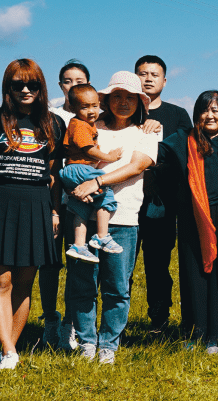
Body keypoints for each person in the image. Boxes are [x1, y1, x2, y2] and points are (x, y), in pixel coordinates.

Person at [0, 59, 61, 370]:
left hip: (36, 204)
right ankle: (7, 349)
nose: (26, 90)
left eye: (32, 84)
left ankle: (11, 348)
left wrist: (56, 211)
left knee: (24, 280)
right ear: (8, 88)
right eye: (18, 85)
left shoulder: (54, 123)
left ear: (41, 88)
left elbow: (55, 174)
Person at [62, 72, 159, 364]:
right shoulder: (89, 126)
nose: (123, 102)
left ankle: (109, 345)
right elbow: (72, 159)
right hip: (83, 215)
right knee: (82, 284)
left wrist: (97, 182)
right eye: (117, 96)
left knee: (117, 287)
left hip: (125, 219)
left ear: (140, 102)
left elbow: (137, 166)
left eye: (130, 97)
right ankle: (86, 342)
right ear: (105, 100)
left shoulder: (147, 132)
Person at [155, 91, 218, 354]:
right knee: (193, 274)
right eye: (205, 110)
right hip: (193, 216)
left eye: (216, 110)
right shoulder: (183, 140)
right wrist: (149, 127)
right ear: (197, 115)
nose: (210, 115)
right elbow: (155, 151)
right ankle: (196, 333)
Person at [134, 55, 194, 333]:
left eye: (154, 74)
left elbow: (186, 154)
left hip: (162, 202)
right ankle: (114, 321)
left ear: (164, 80)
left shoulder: (178, 115)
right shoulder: (123, 109)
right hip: (124, 201)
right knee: (121, 264)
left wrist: (161, 135)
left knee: (158, 264)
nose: (148, 79)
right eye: (142, 74)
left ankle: (159, 318)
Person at [40, 59, 89, 350]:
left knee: (77, 265)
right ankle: (50, 320)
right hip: (51, 201)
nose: (74, 86)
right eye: (68, 81)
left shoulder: (94, 116)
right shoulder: (50, 116)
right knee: (48, 263)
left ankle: (71, 324)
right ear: (60, 86)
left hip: (81, 204)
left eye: (80, 81)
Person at [56, 84, 125, 264]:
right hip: (80, 168)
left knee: (83, 206)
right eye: (85, 107)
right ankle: (102, 236)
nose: (92, 111)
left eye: (95, 105)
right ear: (72, 108)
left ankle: (79, 245)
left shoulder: (85, 122)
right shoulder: (79, 125)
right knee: (105, 193)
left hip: (71, 169)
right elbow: (88, 149)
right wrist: (109, 157)